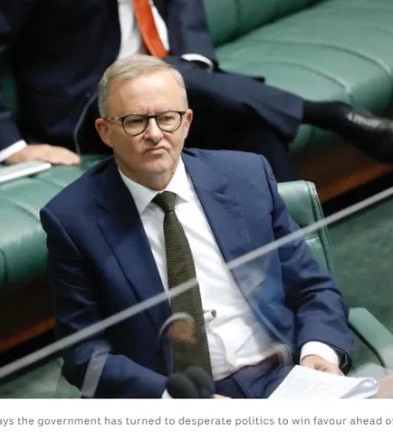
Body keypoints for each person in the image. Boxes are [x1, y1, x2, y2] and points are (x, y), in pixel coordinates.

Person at [40, 55, 353, 398]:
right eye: (135, 121)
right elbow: (82, 354)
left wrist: (318, 353)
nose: (154, 134)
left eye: (166, 118)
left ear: (186, 122)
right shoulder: (73, 220)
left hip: (284, 375)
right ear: (105, 131)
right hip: (179, 397)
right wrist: (173, 399)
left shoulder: (247, 177)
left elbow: (312, 287)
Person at [0, 0, 393, 181]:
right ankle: (327, 113)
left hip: (180, 83)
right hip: (89, 105)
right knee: (163, 80)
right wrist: (11, 147)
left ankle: (302, 270)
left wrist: (193, 62)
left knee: (254, 132)